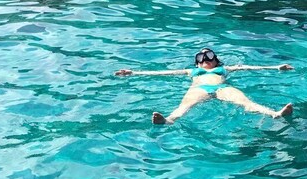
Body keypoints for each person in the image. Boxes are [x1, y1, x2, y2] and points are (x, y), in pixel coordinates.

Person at [115, 47, 294, 124]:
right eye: (200, 58)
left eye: (209, 56)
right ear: (197, 64)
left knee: (247, 103)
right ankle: (168, 120)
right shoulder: (190, 71)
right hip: (199, 89)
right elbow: (164, 73)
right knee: (184, 107)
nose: (205, 60)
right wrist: (135, 72)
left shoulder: (225, 69)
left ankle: (275, 114)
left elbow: (248, 67)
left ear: (216, 60)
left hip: (223, 88)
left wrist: (276, 67)